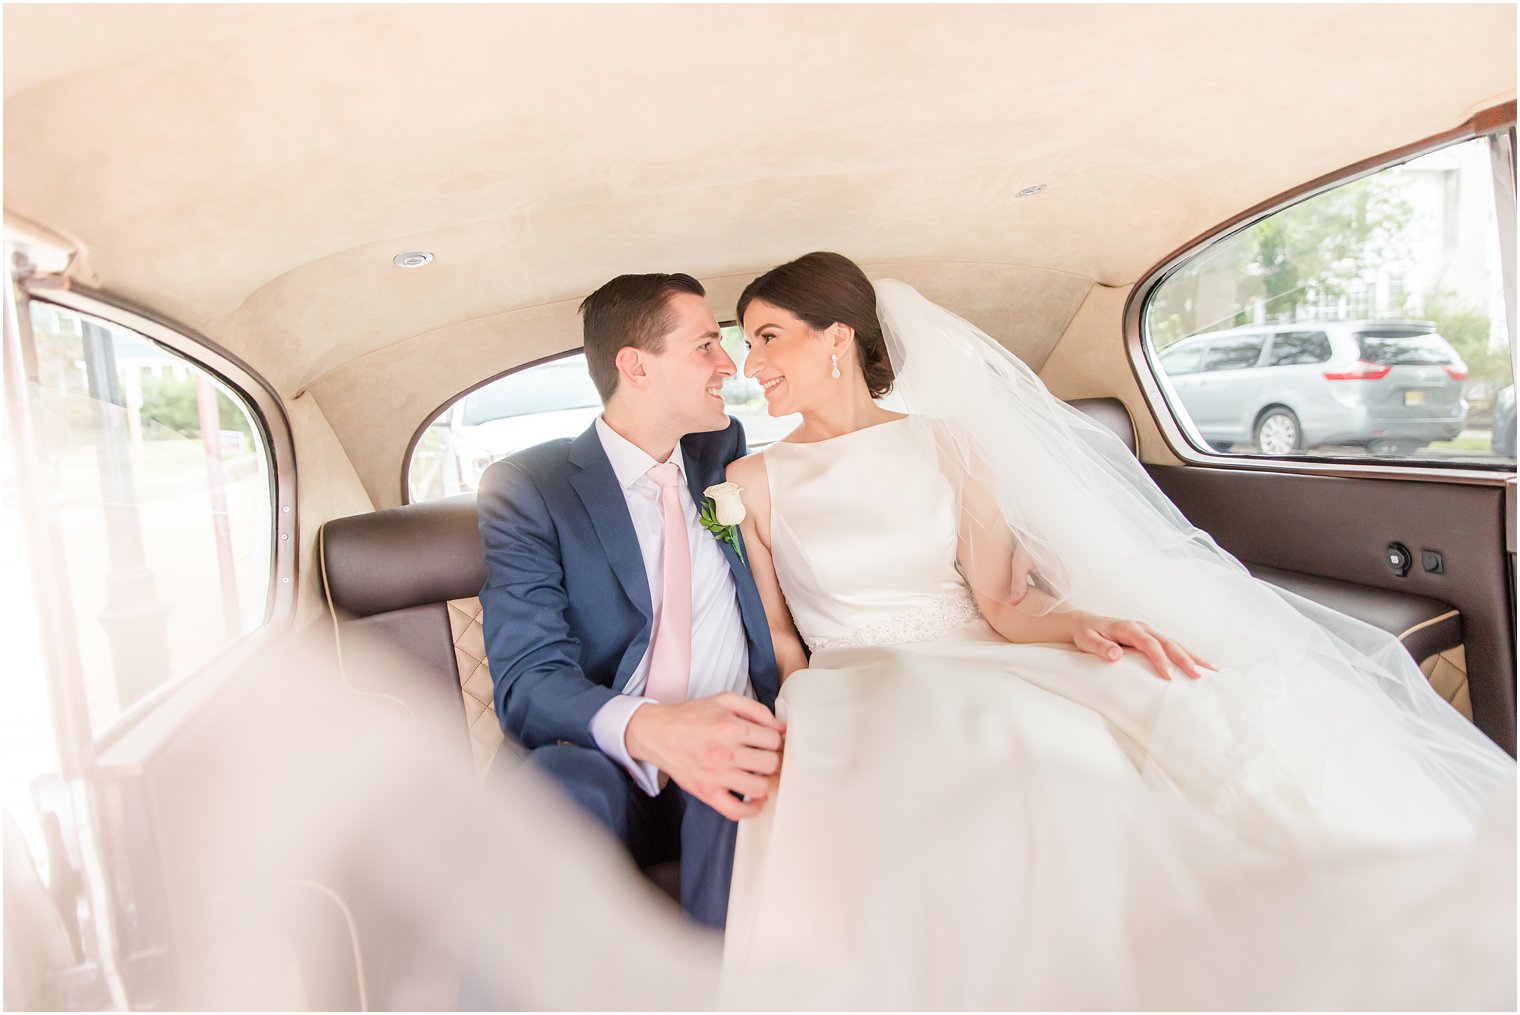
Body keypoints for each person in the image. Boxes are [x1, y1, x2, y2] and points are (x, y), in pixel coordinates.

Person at [717, 252, 1517, 1009]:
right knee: (982, 750)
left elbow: (999, 604)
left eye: (767, 337)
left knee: (1173, 695)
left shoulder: (946, 443)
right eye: (745, 344)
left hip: (977, 647)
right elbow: (785, 637)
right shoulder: (752, 481)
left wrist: (1087, 624)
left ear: (838, 338)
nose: (751, 364)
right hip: (848, 683)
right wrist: (800, 705)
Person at [476, 272, 782, 930]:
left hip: (739, 739)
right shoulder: (531, 488)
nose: (729, 364)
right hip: (600, 759)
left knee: (744, 780)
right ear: (635, 365)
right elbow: (529, 681)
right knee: (558, 791)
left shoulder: (721, 454)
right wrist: (658, 729)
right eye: (705, 345)